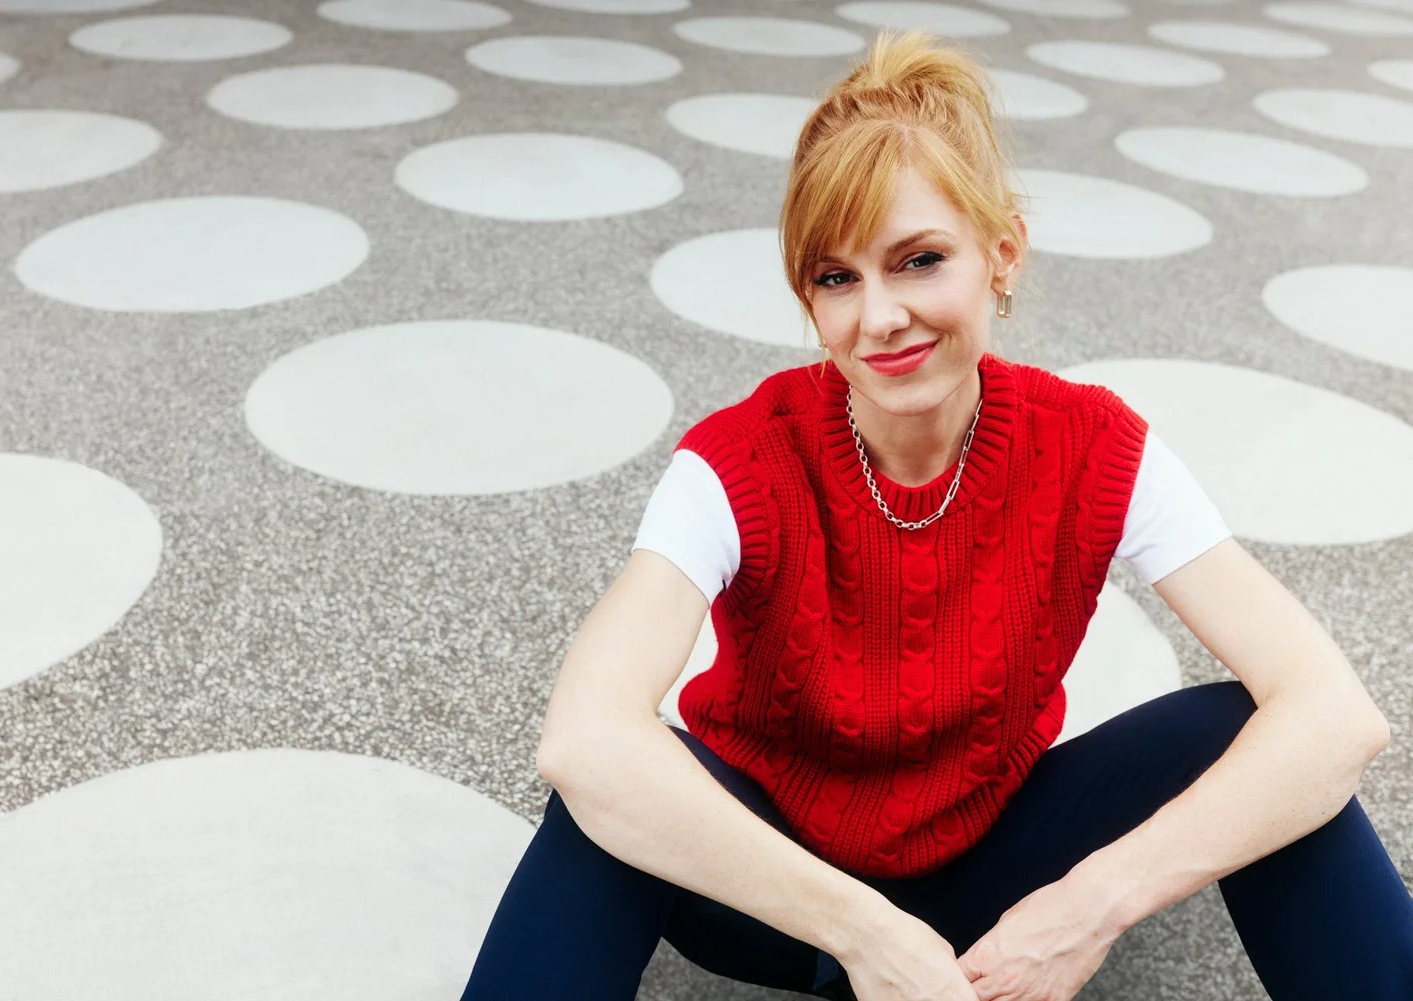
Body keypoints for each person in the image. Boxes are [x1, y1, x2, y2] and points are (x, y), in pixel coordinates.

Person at [459, 29, 1412, 1001]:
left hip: (996, 869)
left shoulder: (1092, 444)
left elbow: (1338, 716)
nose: (879, 316)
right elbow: (581, 737)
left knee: (1256, 727)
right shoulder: (741, 458)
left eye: (919, 260)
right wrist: (864, 930)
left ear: (1002, 255)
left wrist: (1090, 905)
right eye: (838, 277)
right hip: (775, 890)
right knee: (609, 783)